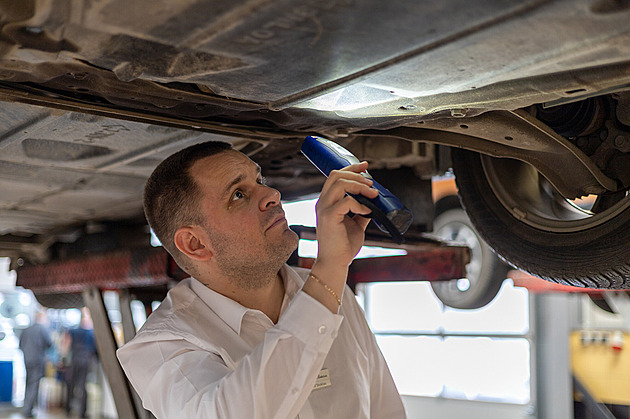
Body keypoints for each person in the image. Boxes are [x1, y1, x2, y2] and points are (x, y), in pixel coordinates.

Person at [117, 141, 406, 418]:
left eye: (260, 180)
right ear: (195, 244)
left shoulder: (335, 292)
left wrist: (330, 275)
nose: (272, 194)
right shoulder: (162, 347)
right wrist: (329, 267)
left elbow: (386, 411)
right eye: (238, 195)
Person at [62, 308, 96, 418]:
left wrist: (63, 358)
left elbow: (65, 345)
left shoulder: (73, 331)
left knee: (71, 384)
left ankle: (68, 409)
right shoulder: (92, 333)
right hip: (85, 360)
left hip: (74, 360)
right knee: (82, 385)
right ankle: (82, 412)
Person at [19, 309, 52, 418]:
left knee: (28, 383)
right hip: (37, 360)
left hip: (27, 359)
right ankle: (28, 410)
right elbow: (49, 344)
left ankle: (27, 407)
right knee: (33, 384)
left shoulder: (27, 330)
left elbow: (21, 345)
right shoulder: (42, 329)